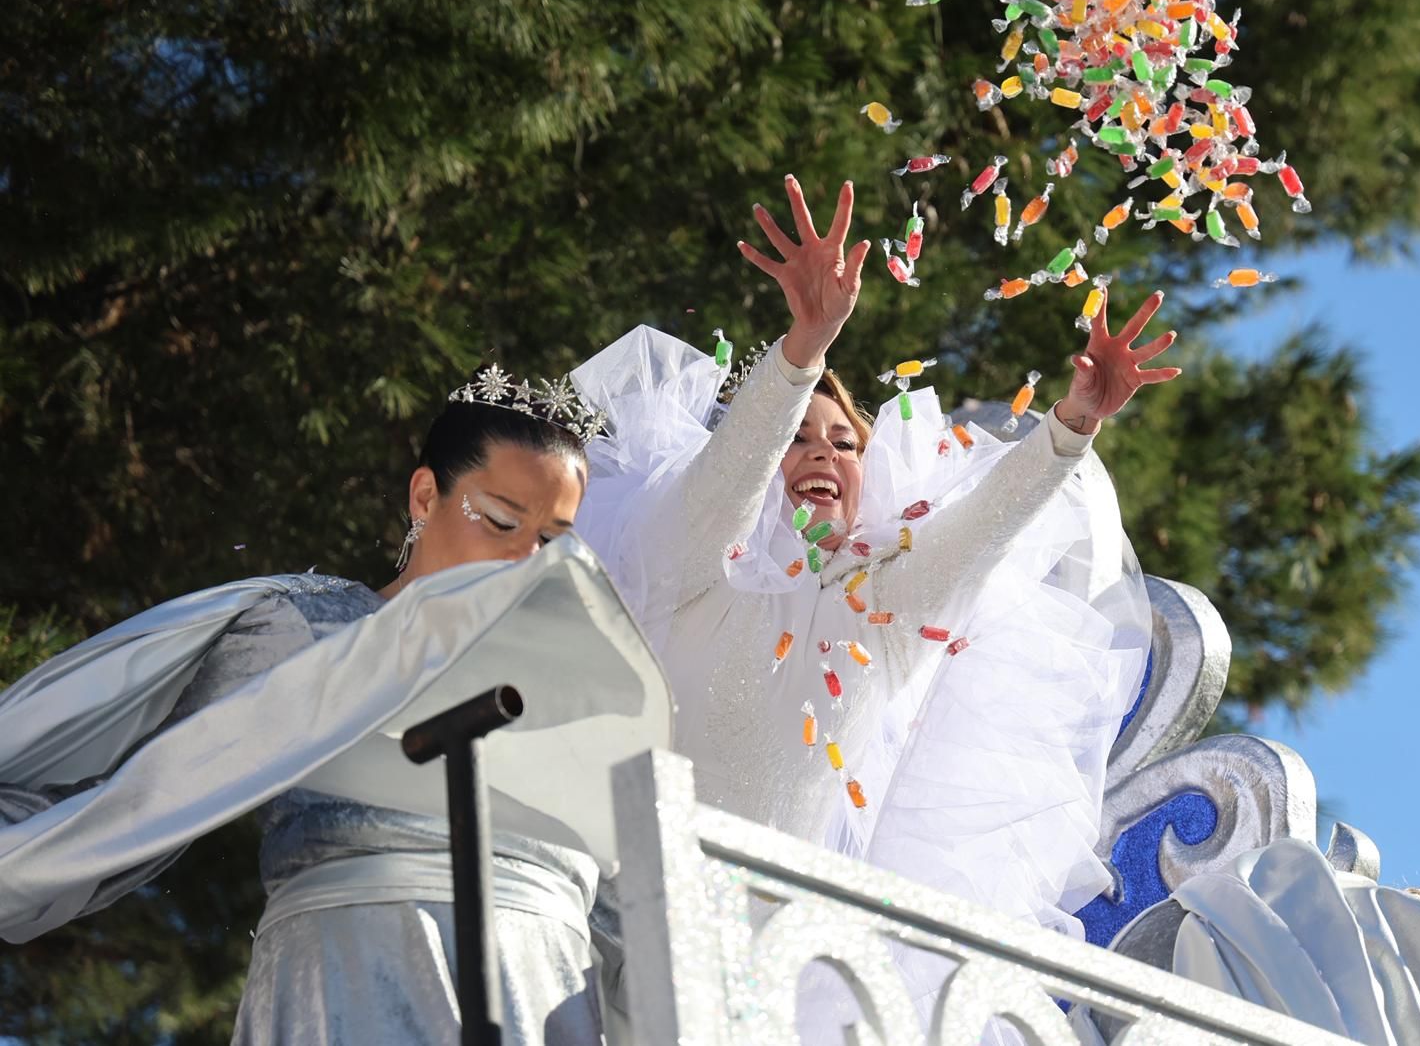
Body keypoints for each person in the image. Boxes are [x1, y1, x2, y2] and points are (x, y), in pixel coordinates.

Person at [573, 175, 1177, 968]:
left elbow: (982, 529)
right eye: (798, 437)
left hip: (771, 974)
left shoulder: (881, 618)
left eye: (845, 442)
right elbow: (728, 478)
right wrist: (804, 349)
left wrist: (1073, 424)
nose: (823, 453)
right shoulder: (686, 566)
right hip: (618, 939)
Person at [0, 369, 611, 1044]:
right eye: (500, 520)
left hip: (544, 994)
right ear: (424, 495)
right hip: (356, 980)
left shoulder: (575, 692)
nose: (526, 557)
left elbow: (622, 901)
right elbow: (140, 797)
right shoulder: (313, 631)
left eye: (551, 541)